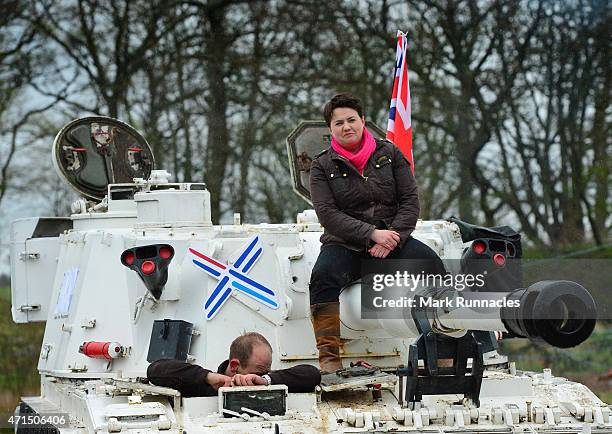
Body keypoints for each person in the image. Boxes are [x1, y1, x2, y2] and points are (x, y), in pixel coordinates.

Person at [309, 93, 445, 373]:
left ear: (362, 121)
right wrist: (372, 234)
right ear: (330, 128)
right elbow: (328, 214)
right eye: (339, 123)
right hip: (345, 244)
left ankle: (444, 346)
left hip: (393, 239)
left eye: (351, 120)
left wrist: (393, 235)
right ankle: (329, 357)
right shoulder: (322, 165)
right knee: (322, 277)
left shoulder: (390, 153)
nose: (346, 127)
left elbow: (410, 201)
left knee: (431, 264)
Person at [147, 332, 321, 397]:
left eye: (265, 371)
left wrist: (267, 380)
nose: (259, 376)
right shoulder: (204, 387)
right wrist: (206, 377)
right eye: (259, 371)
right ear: (235, 365)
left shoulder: (268, 381)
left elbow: (312, 374)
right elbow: (155, 370)